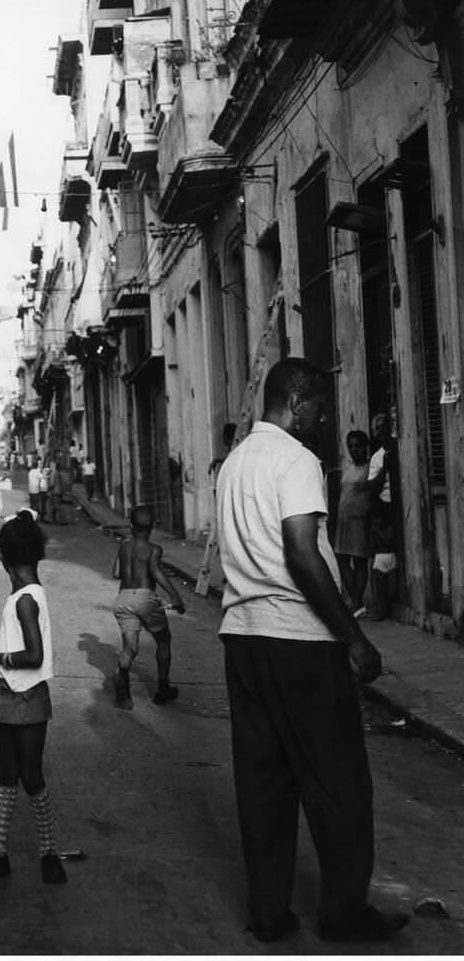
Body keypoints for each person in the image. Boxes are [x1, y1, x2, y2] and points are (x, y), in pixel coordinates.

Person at [216, 358, 407, 944]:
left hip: (243, 638)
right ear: (296, 403)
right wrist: (353, 638)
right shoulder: (294, 459)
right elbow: (301, 552)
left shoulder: (235, 463)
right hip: (298, 640)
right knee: (339, 780)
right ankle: (344, 912)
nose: (323, 418)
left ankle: (269, 912)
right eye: (319, 407)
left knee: (263, 782)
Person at [0, 510, 68, 886]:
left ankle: (48, 852)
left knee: (27, 774)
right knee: (9, 773)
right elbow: (23, 645)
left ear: (2, 557)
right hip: (11, 694)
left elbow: (34, 657)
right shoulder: (29, 595)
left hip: (21, 696)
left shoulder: (24, 600)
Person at [111, 505, 186, 709]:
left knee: (130, 648)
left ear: (131, 525)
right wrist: (175, 596)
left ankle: (122, 680)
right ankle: (163, 688)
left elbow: (116, 573)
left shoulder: (124, 546)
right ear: (152, 526)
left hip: (123, 598)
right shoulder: (154, 549)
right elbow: (155, 571)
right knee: (163, 640)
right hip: (145, 598)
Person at [333, 430, 374, 616]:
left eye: (357, 446)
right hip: (344, 521)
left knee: (359, 561)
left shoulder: (369, 468)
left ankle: (356, 603)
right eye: (351, 446)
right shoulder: (348, 468)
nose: (354, 450)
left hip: (359, 520)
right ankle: (357, 602)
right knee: (341, 559)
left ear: (365, 447)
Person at [367, 503, 398, 622]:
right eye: (374, 519)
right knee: (380, 589)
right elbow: (371, 548)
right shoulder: (373, 531)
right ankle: (381, 613)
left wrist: (377, 531)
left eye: (378, 518)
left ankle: (386, 611)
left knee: (390, 589)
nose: (375, 521)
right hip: (379, 558)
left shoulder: (388, 528)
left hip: (389, 556)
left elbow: (388, 541)